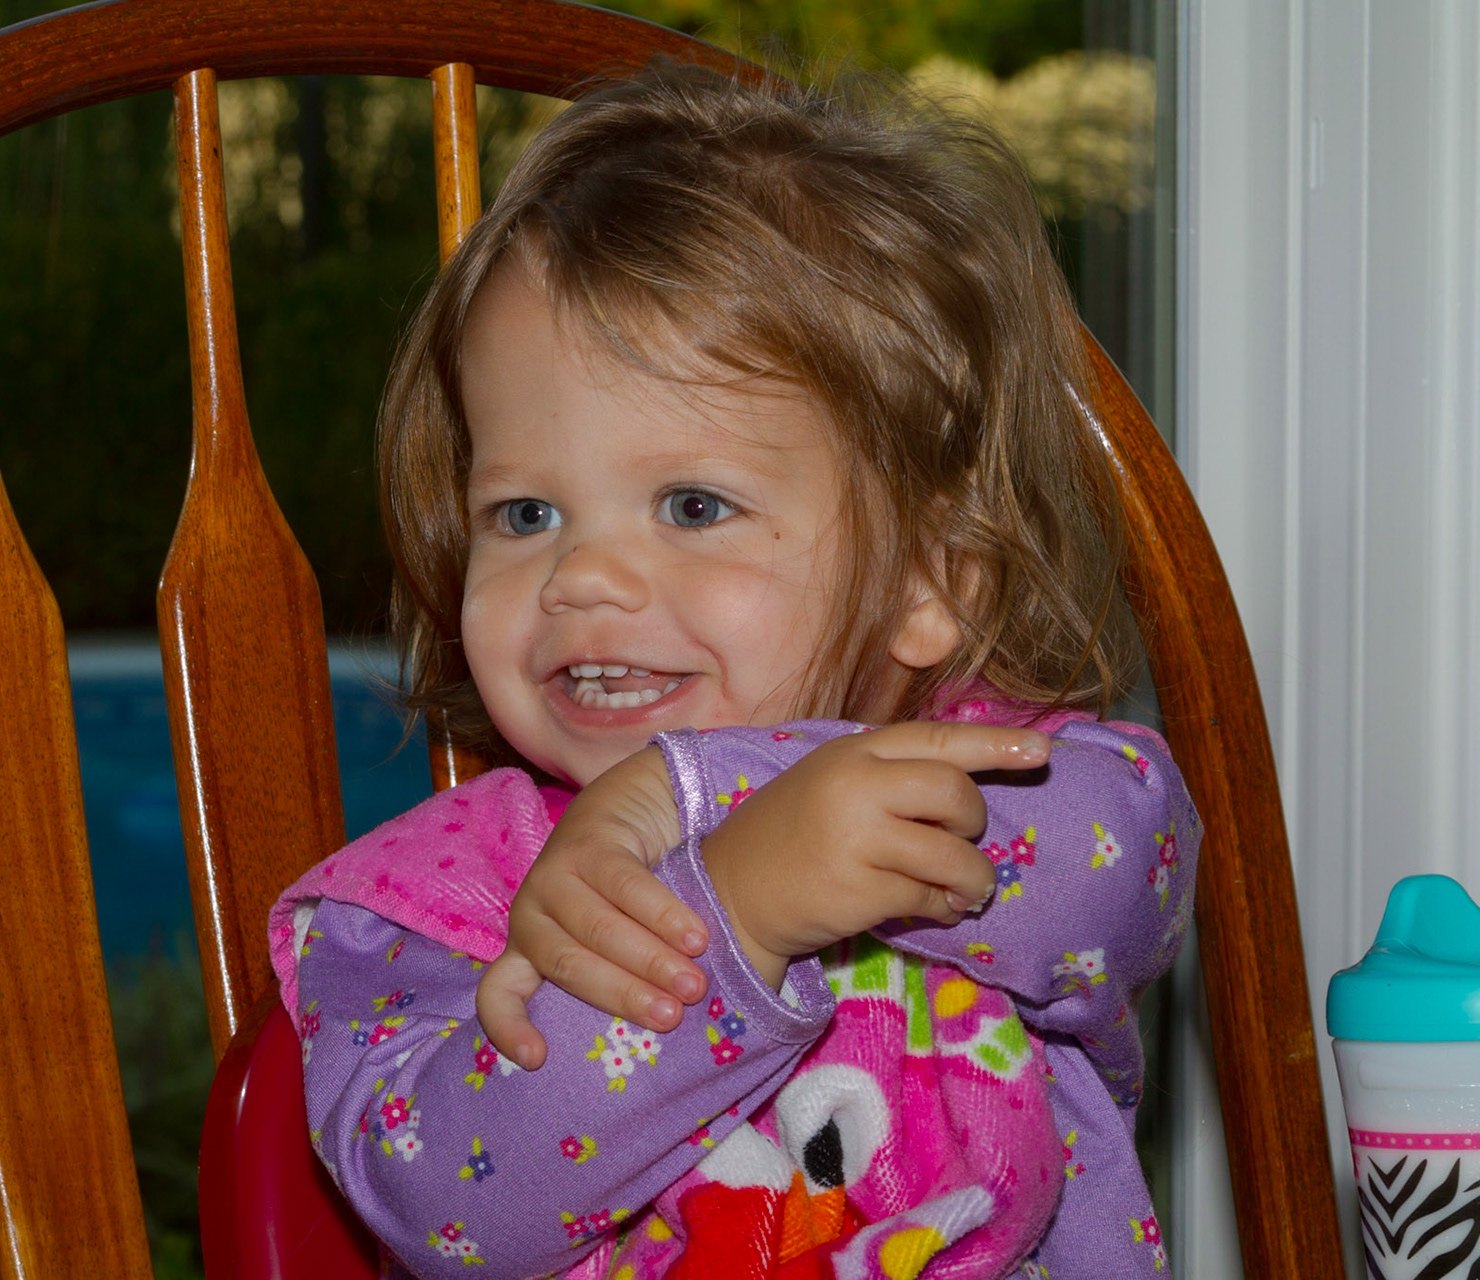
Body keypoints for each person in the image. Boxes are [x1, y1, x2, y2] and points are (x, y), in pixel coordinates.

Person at [267, 63, 1198, 1280]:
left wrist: (707, 792)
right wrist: (736, 909)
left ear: (932, 581)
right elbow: (446, 1203)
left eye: (692, 503)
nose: (582, 575)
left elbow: (1125, 869)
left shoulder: (1013, 791)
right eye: (526, 510)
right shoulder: (439, 902)